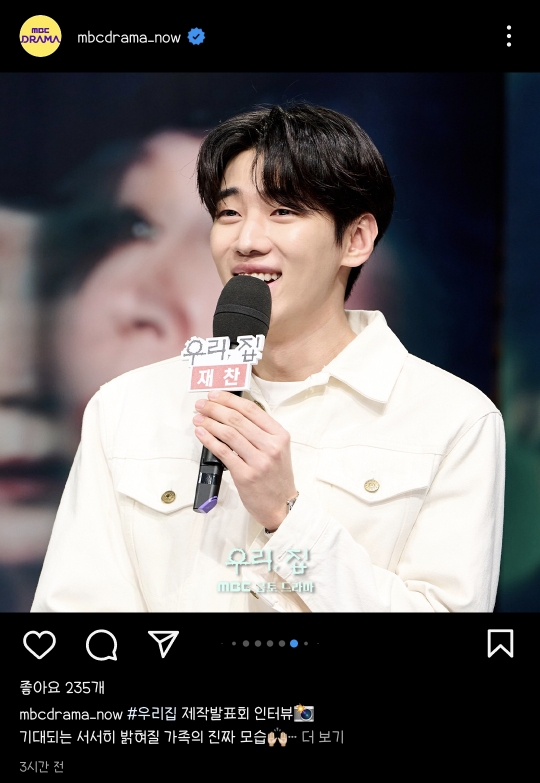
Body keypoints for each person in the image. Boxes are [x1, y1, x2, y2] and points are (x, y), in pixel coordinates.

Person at [31, 104, 505, 613]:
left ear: (356, 239)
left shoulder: (454, 420)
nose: (247, 241)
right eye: (229, 214)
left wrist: (288, 516)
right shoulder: (127, 406)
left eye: (283, 211)